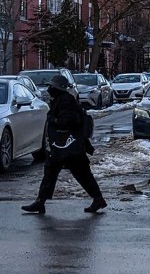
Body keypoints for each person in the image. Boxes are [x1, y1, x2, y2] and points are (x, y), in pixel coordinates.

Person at [21, 74, 107, 215]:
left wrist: (53, 119)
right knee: (51, 172)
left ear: (57, 88)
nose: (49, 89)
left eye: (51, 86)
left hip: (69, 146)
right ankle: (40, 202)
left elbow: (70, 120)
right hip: (62, 146)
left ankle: (98, 199)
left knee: (81, 173)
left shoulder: (66, 101)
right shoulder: (60, 99)